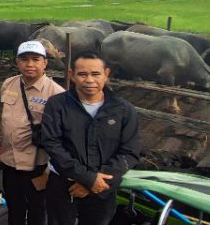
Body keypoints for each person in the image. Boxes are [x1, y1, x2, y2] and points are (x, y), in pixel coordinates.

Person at [41, 51, 141, 225]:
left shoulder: (124, 110)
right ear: (71, 75)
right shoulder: (57, 105)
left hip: (104, 187)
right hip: (63, 185)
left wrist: (93, 183)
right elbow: (52, 144)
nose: (89, 80)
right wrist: (88, 179)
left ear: (106, 75)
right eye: (82, 74)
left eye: (95, 74)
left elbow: (129, 152)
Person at [0, 40, 65, 225]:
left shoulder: (56, 93)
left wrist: (51, 170)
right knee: (14, 206)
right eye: (24, 59)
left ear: (45, 63)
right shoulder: (9, 83)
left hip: (38, 164)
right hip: (9, 159)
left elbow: (63, 136)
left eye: (35, 59)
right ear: (17, 62)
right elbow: (0, 117)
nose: (30, 64)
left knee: (37, 208)